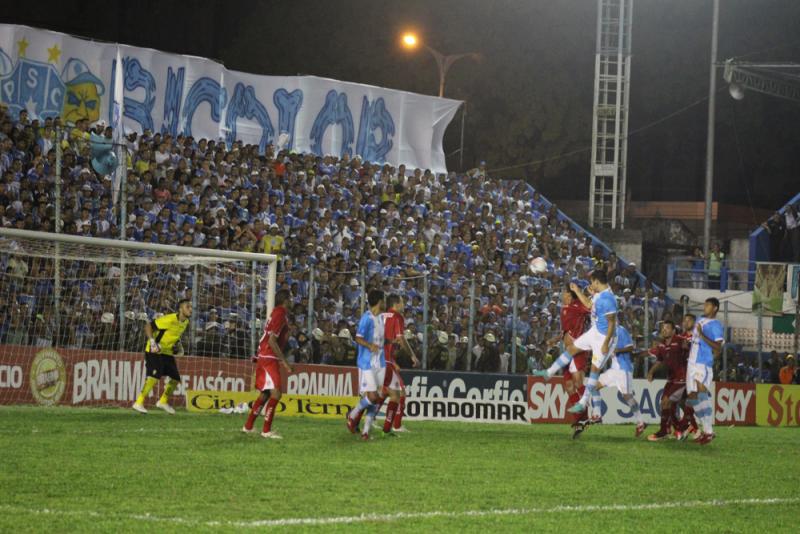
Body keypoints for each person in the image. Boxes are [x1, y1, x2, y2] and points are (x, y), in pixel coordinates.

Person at [535, 286, 590, 438]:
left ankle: (591, 401)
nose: (561, 295)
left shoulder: (579, 306)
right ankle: (581, 419)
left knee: (578, 383)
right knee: (569, 386)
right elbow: (565, 331)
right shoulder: (563, 309)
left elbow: (591, 309)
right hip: (567, 351)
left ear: (570, 296)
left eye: (564, 293)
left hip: (578, 349)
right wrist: (554, 340)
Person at [242, 289, 293, 439]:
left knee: (265, 393)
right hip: (269, 357)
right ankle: (266, 430)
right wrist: (285, 362)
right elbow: (272, 340)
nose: (291, 302)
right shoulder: (280, 313)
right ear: (285, 300)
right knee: (276, 393)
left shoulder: (276, 312)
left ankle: (248, 426)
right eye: (289, 299)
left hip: (265, 355)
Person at [566, 270, 618, 415]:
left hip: (605, 337)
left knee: (594, 370)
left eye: (591, 282)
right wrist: (577, 290)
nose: (590, 285)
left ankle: (584, 403)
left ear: (596, 282)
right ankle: (594, 410)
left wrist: (606, 343)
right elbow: (589, 304)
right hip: (596, 334)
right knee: (576, 353)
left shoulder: (607, 298)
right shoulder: (599, 294)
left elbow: (611, 323)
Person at [585, 322, 647, 438]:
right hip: (614, 369)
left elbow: (630, 347)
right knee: (594, 386)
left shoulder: (621, 330)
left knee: (627, 397)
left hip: (623, 369)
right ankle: (597, 414)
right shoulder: (608, 333)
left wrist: (617, 351)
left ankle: (640, 422)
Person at [132, 299, 192, 414]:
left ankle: (162, 401)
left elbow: (174, 335)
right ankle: (138, 402)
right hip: (154, 350)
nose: (190, 309)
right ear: (180, 309)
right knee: (154, 376)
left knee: (175, 379)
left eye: (190, 307)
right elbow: (148, 326)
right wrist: (153, 342)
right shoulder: (169, 319)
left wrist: (178, 345)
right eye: (187, 307)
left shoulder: (185, 322)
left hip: (167, 352)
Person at [346, 289, 387, 440]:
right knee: (372, 395)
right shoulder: (366, 318)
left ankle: (365, 432)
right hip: (366, 362)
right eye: (384, 300)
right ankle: (353, 414)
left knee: (377, 396)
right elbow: (358, 338)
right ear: (379, 301)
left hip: (380, 362)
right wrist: (370, 346)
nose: (385, 302)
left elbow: (381, 340)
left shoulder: (381, 318)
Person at [686, 297, 724, 445]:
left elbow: (718, 347)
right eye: (705, 304)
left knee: (701, 392)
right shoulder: (699, 320)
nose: (705, 306)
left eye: (708, 305)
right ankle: (705, 429)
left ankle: (709, 431)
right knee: (692, 396)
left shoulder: (716, 325)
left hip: (702, 363)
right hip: (691, 363)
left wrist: (702, 336)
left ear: (715, 308)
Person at [646, 320, 689, 441]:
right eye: (663, 328)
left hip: (682, 378)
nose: (664, 330)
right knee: (665, 403)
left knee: (667, 401)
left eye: (667, 328)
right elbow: (659, 360)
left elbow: (690, 352)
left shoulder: (680, 340)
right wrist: (651, 372)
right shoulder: (661, 345)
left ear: (673, 330)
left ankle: (666, 430)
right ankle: (679, 427)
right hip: (671, 379)